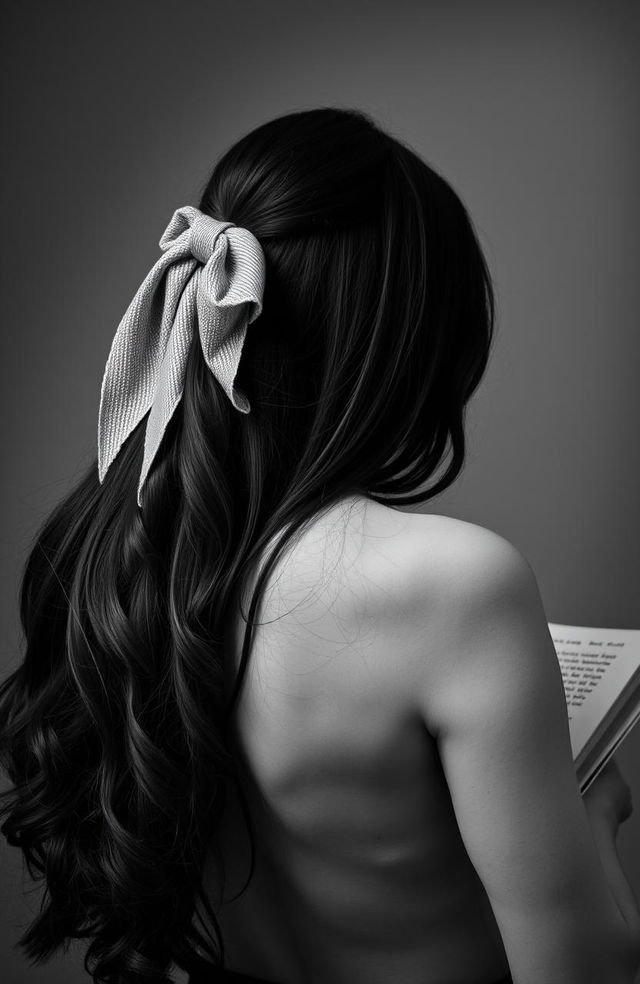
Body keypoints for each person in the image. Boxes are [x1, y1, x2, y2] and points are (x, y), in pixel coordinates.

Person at [0, 107, 638, 984]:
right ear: (410, 346)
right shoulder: (457, 583)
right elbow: (581, 970)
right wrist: (595, 812)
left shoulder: (112, 557)